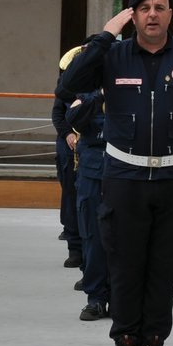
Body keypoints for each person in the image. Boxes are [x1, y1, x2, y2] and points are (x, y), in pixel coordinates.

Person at [58, 0, 173, 346]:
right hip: (124, 175)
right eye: (143, 8)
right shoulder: (113, 55)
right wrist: (105, 35)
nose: (152, 14)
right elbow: (69, 85)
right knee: (125, 268)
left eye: (159, 7)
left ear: (170, 14)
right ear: (132, 15)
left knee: (164, 269)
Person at [64, 79, 110, 322]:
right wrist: (100, 94)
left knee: (128, 240)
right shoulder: (88, 94)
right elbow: (73, 118)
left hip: (129, 172)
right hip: (93, 172)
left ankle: (123, 299)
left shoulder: (137, 91)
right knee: (93, 237)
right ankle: (97, 299)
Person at [52, 49, 85, 271]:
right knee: (71, 196)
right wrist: (68, 134)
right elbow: (57, 114)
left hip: (95, 150)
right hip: (70, 148)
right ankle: (74, 248)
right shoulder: (67, 84)